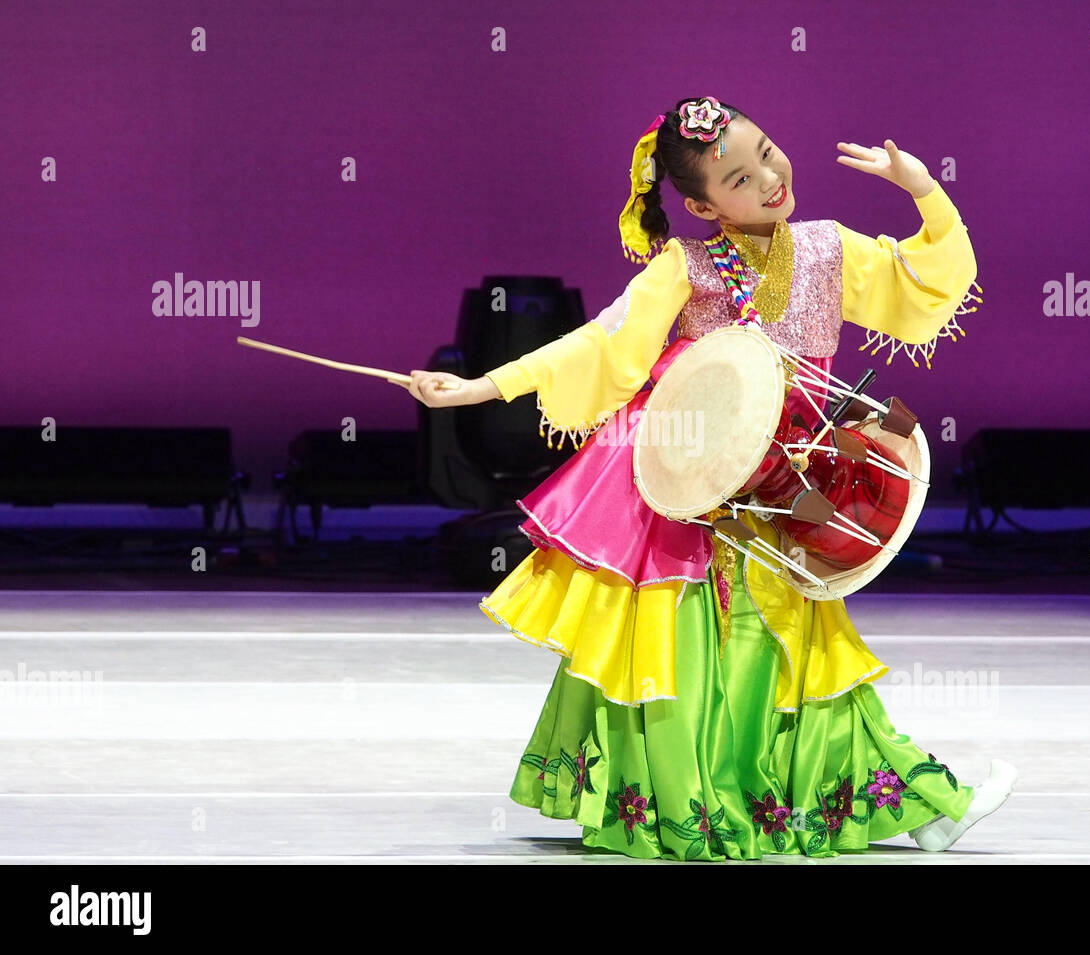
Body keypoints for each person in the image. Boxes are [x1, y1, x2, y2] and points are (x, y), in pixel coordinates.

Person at [408, 96, 1015, 861]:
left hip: (788, 496)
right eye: (738, 175)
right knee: (698, 661)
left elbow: (930, 283)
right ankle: (704, 809)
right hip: (691, 507)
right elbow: (598, 345)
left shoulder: (829, 251)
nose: (768, 176)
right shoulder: (684, 268)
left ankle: (917, 805)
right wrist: (478, 387)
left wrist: (924, 189)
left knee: (809, 656)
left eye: (765, 150)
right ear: (700, 205)